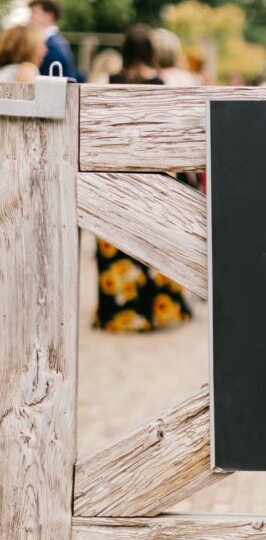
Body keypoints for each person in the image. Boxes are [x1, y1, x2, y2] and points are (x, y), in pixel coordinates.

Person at [93, 25, 192, 333]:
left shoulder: (106, 82)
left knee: (117, 246)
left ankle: (120, 312)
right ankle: (158, 311)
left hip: (117, 175)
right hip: (155, 175)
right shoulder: (165, 84)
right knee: (155, 243)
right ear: (151, 50)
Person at [29, 0, 82, 81]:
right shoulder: (57, 41)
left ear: (49, 17)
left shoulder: (51, 45)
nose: (31, 17)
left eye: (35, 13)